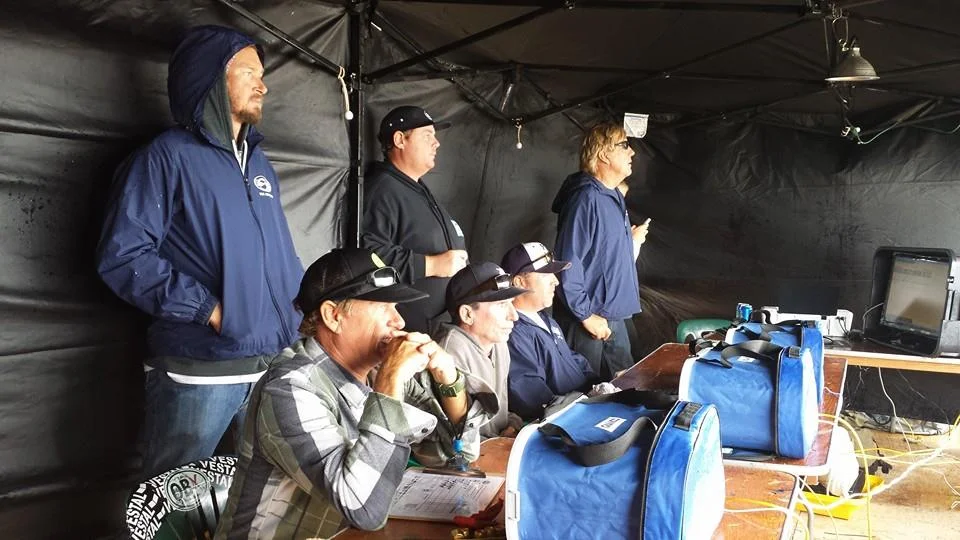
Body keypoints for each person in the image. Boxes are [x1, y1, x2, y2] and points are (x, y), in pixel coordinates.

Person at [95, 25, 303, 478]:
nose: (262, 84)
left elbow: (278, 254)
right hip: (201, 369)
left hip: (270, 363)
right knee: (174, 500)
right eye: (248, 72)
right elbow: (124, 255)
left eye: (262, 74)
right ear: (209, 78)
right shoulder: (166, 156)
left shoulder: (260, 163)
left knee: (251, 501)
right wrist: (210, 310)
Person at [215, 248, 496, 539]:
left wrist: (449, 381)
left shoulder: (375, 370)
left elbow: (456, 455)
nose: (399, 322)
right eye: (383, 306)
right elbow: (363, 509)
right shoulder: (289, 387)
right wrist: (390, 382)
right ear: (333, 316)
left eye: (397, 308)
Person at [551, 122, 650, 380]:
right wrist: (585, 316)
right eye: (624, 145)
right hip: (588, 319)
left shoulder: (612, 197)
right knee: (582, 394)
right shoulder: (585, 199)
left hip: (612, 316)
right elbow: (566, 263)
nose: (632, 153)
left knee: (626, 386)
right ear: (604, 154)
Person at [361, 105, 469, 334]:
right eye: (427, 135)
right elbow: (367, 255)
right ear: (400, 139)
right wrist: (431, 264)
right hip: (405, 332)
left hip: (436, 327)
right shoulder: (382, 189)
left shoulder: (416, 187)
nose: (436, 143)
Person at [500, 242, 600, 421]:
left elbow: (573, 360)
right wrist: (584, 405)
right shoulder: (513, 333)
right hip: (567, 420)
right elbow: (532, 397)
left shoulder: (545, 319)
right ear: (519, 282)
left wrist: (601, 386)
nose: (556, 280)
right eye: (546, 274)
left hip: (584, 406)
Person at [435, 262, 527, 438]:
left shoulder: (497, 343)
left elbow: (500, 413)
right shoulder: (448, 355)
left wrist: (512, 425)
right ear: (467, 314)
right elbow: (455, 438)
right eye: (501, 304)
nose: (513, 315)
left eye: (511, 303)